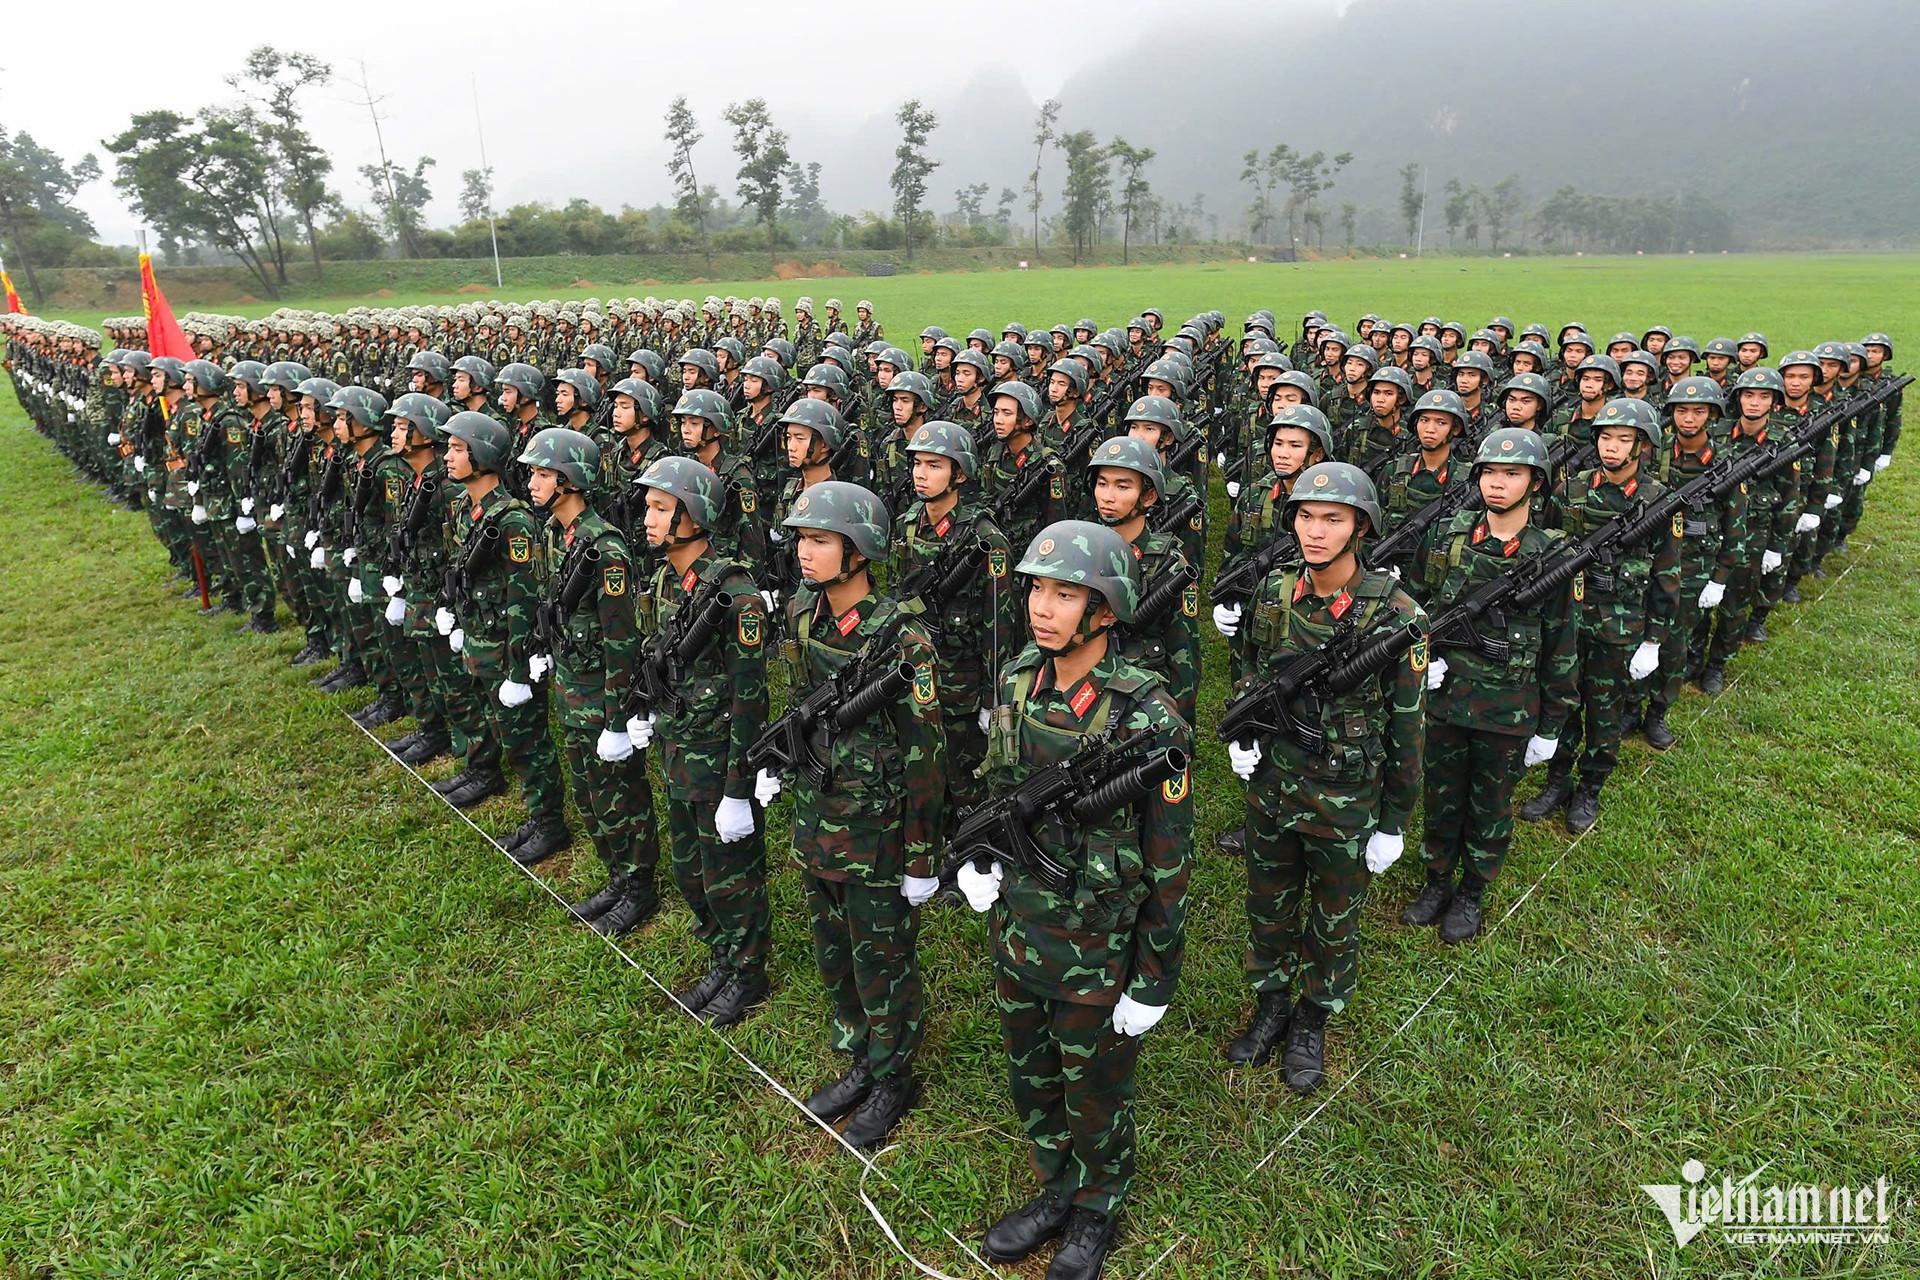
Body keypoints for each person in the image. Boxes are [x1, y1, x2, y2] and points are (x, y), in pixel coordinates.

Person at [957, 520, 1193, 1280]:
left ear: (1105, 609)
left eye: (1065, 594)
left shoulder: (1147, 718)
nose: (1041, 607)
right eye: (1036, 589)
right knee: (1031, 1075)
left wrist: (1153, 978)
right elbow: (999, 789)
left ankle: (1097, 1206)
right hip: (1019, 930)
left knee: (1094, 1089)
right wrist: (979, 859)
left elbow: (1169, 864)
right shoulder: (1018, 681)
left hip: (1097, 946)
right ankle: (1056, 1187)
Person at [754, 481, 947, 1148]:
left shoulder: (903, 639)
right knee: (833, 946)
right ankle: (860, 1050)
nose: (804, 553)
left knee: (882, 957)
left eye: (820, 541)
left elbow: (927, 756)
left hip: (878, 829)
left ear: (859, 551)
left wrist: (922, 856)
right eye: (801, 540)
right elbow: (800, 704)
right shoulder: (804, 612)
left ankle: (893, 1074)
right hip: (819, 812)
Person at [1222, 462, 1426, 1089]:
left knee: (1334, 917)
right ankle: (1271, 1002)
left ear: (1360, 527)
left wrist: (1393, 821)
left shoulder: (1396, 616)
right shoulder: (1274, 591)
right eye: (1306, 517)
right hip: (1273, 786)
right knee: (1269, 903)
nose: (1314, 531)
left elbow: (1408, 728)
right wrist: (1243, 734)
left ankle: (1312, 1016)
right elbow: (1248, 669)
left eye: (1332, 519)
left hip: (1346, 796)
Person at [1405, 428, 1578, 943]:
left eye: (1512, 474)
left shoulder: (1552, 556)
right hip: (1445, 698)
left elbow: (1562, 645)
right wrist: (1421, 664)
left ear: (1536, 483)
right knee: (1440, 797)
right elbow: (1411, 607)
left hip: (1508, 709)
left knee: (1491, 804)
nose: (1497, 483)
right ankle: (1438, 880)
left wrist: (1551, 725)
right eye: (1489, 473)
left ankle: (1473, 889)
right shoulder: (1448, 536)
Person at [631, 456, 774, 1028]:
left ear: (694, 516)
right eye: (648, 507)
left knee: (730, 874)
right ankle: (721, 952)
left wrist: (739, 789)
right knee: (691, 868)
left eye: (660, 508)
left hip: (718, 760)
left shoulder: (735, 596)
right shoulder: (667, 577)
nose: (648, 519)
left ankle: (748, 971)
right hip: (678, 750)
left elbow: (751, 698)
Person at [518, 427, 662, 937]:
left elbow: (622, 640)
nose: (532, 484)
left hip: (601, 696)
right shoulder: (556, 534)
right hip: (570, 689)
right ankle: (616, 876)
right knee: (588, 794)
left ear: (570, 481)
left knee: (620, 796)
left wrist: (617, 720)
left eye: (542, 475)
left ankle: (639, 885)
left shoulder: (605, 549)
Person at [1521, 400, 1678, 833]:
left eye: (1623, 440)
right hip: (1567, 622)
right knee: (1562, 702)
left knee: (1604, 713)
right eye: (1605, 437)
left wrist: (1653, 640)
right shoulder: (1570, 491)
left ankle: (1590, 788)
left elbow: (1667, 575)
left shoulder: (1657, 501)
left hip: (1618, 627)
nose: (1611, 447)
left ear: (1642, 446)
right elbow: (1544, 550)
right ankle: (1557, 781)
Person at [887, 422, 1016, 816]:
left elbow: (1000, 624)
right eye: (917, 464)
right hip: (915, 675)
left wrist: (994, 700)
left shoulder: (985, 540)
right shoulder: (909, 522)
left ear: (959, 474)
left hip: (964, 686)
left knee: (965, 785)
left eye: (934, 465)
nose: (920, 474)